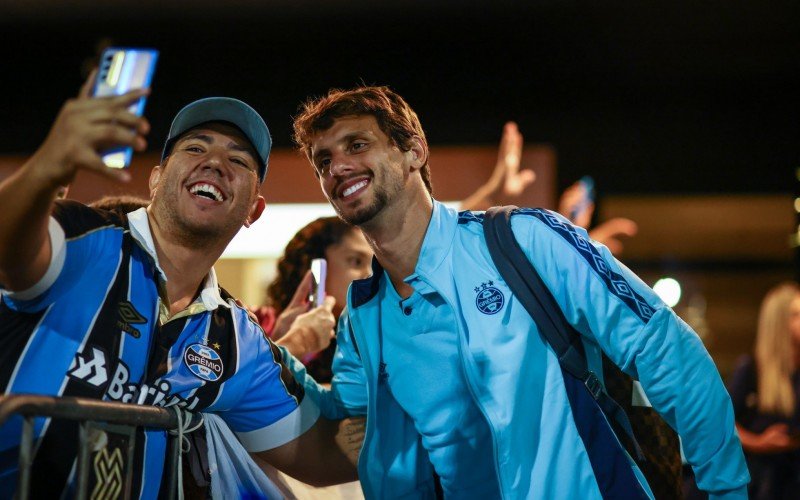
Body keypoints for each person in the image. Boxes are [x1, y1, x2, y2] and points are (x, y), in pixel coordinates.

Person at [290, 85, 750, 498]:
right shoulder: (364, 316)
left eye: (357, 145)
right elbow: (341, 429)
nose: (338, 167)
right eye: (324, 161)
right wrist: (270, 354)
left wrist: (726, 489)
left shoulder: (523, 239)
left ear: (414, 150)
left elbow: (664, 349)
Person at [0, 78, 356, 497]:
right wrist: (47, 164)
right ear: (156, 179)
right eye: (195, 148)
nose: (214, 163)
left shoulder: (239, 341)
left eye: (239, 160)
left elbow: (323, 454)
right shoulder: (82, 240)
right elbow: (10, 251)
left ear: (253, 211)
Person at [257, 216, 373, 382]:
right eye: (356, 261)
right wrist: (289, 344)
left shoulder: (371, 338)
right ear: (314, 266)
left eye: (374, 264)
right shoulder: (254, 326)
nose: (370, 275)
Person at [727, 282, 800, 499]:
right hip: (760, 480)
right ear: (780, 322)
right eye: (796, 314)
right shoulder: (751, 369)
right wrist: (758, 443)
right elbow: (722, 423)